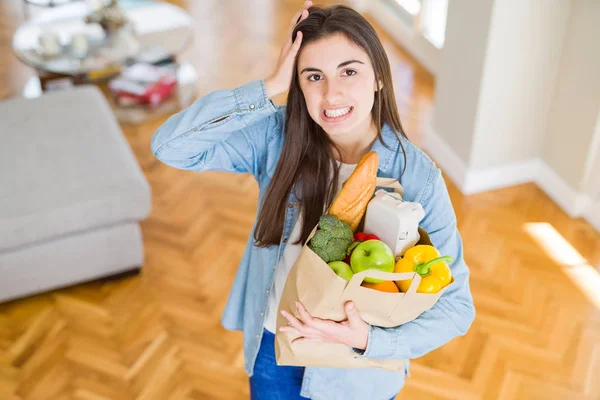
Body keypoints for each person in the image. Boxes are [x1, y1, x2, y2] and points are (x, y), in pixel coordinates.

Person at [151, 2, 475, 399]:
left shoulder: (418, 178)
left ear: (378, 77)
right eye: (313, 76)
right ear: (297, 84)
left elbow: (456, 306)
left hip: (357, 368)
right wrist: (267, 88)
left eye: (349, 71)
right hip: (275, 344)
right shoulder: (276, 138)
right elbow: (170, 147)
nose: (331, 92)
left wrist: (370, 340)